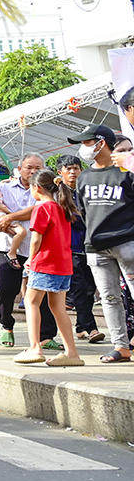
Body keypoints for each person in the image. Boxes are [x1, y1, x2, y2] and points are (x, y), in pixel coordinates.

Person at [68, 124, 134, 363]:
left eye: (87, 143)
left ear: (101, 143)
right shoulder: (84, 177)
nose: (84, 149)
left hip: (128, 243)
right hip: (96, 246)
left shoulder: (127, 171)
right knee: (109, 298)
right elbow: (84, 212)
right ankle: (120, 347)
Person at [12, 170, 84, 366]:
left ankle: (35, 346)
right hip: (63, 264)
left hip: (44, 262)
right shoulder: (63, 207)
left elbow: (36, 238)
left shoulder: (42, 208)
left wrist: (31, 258)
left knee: (31, 302)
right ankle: (72, 352)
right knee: (58, 307)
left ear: (37, 188)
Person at [0, 154, 56, 348]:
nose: (33, 171)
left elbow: (38, 211)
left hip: (39, 248)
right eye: (29, 167)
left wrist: (8, 217)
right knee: (6, 290)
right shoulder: (3, 188)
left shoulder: (49, 190)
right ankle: (6, 326)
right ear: (19, 168)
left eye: (38, 167)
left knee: (43, 293)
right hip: (9, 247)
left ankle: (46, 336)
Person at [57, 155, 102, 344]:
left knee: (90, 288)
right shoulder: (58, 193)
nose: (73, 172)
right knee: (80, 288)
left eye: (76, 168)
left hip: (91, 246)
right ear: (60, 172)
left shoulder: (87, 190)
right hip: (70, 248)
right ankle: (91, 328)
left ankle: (81, 327)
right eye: (68, 169)